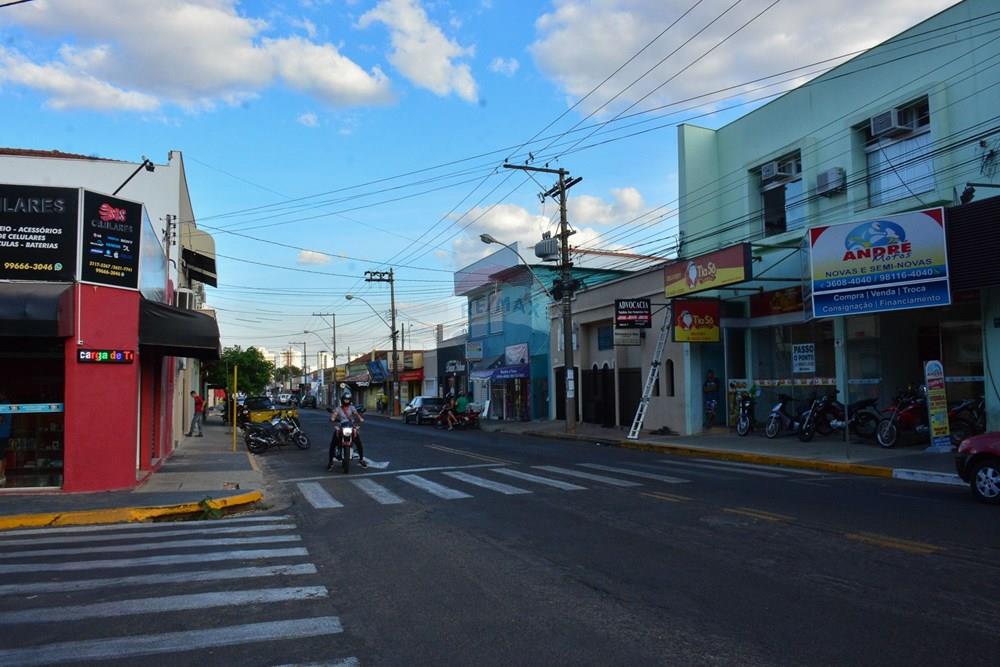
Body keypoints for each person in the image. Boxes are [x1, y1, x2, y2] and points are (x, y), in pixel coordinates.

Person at [328, 389, 366, 470]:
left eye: (348, 399)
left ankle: (361, 459)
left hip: (351, 427)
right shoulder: (338, 408)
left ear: (350, 400)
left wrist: (360, 418)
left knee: (359, 443)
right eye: (345, 399)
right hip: (341, 427)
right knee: (332, 444)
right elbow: (334, 414)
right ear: (342, 400)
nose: (346, 401)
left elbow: (356, 414)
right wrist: (333, 418)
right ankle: (330, 462)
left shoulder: (352, 408)